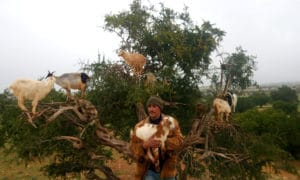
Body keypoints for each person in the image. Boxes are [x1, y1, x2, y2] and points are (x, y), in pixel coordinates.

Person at [130, 96, 184, 180]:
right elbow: (132, 147)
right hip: (149, 171)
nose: (151, 109)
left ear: (160, 108)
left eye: (154, 106)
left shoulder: (171, 123)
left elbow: (180, 142)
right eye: (149, 106)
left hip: (168, 171)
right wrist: (144, 145)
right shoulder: (140, 126)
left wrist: (164, 141)